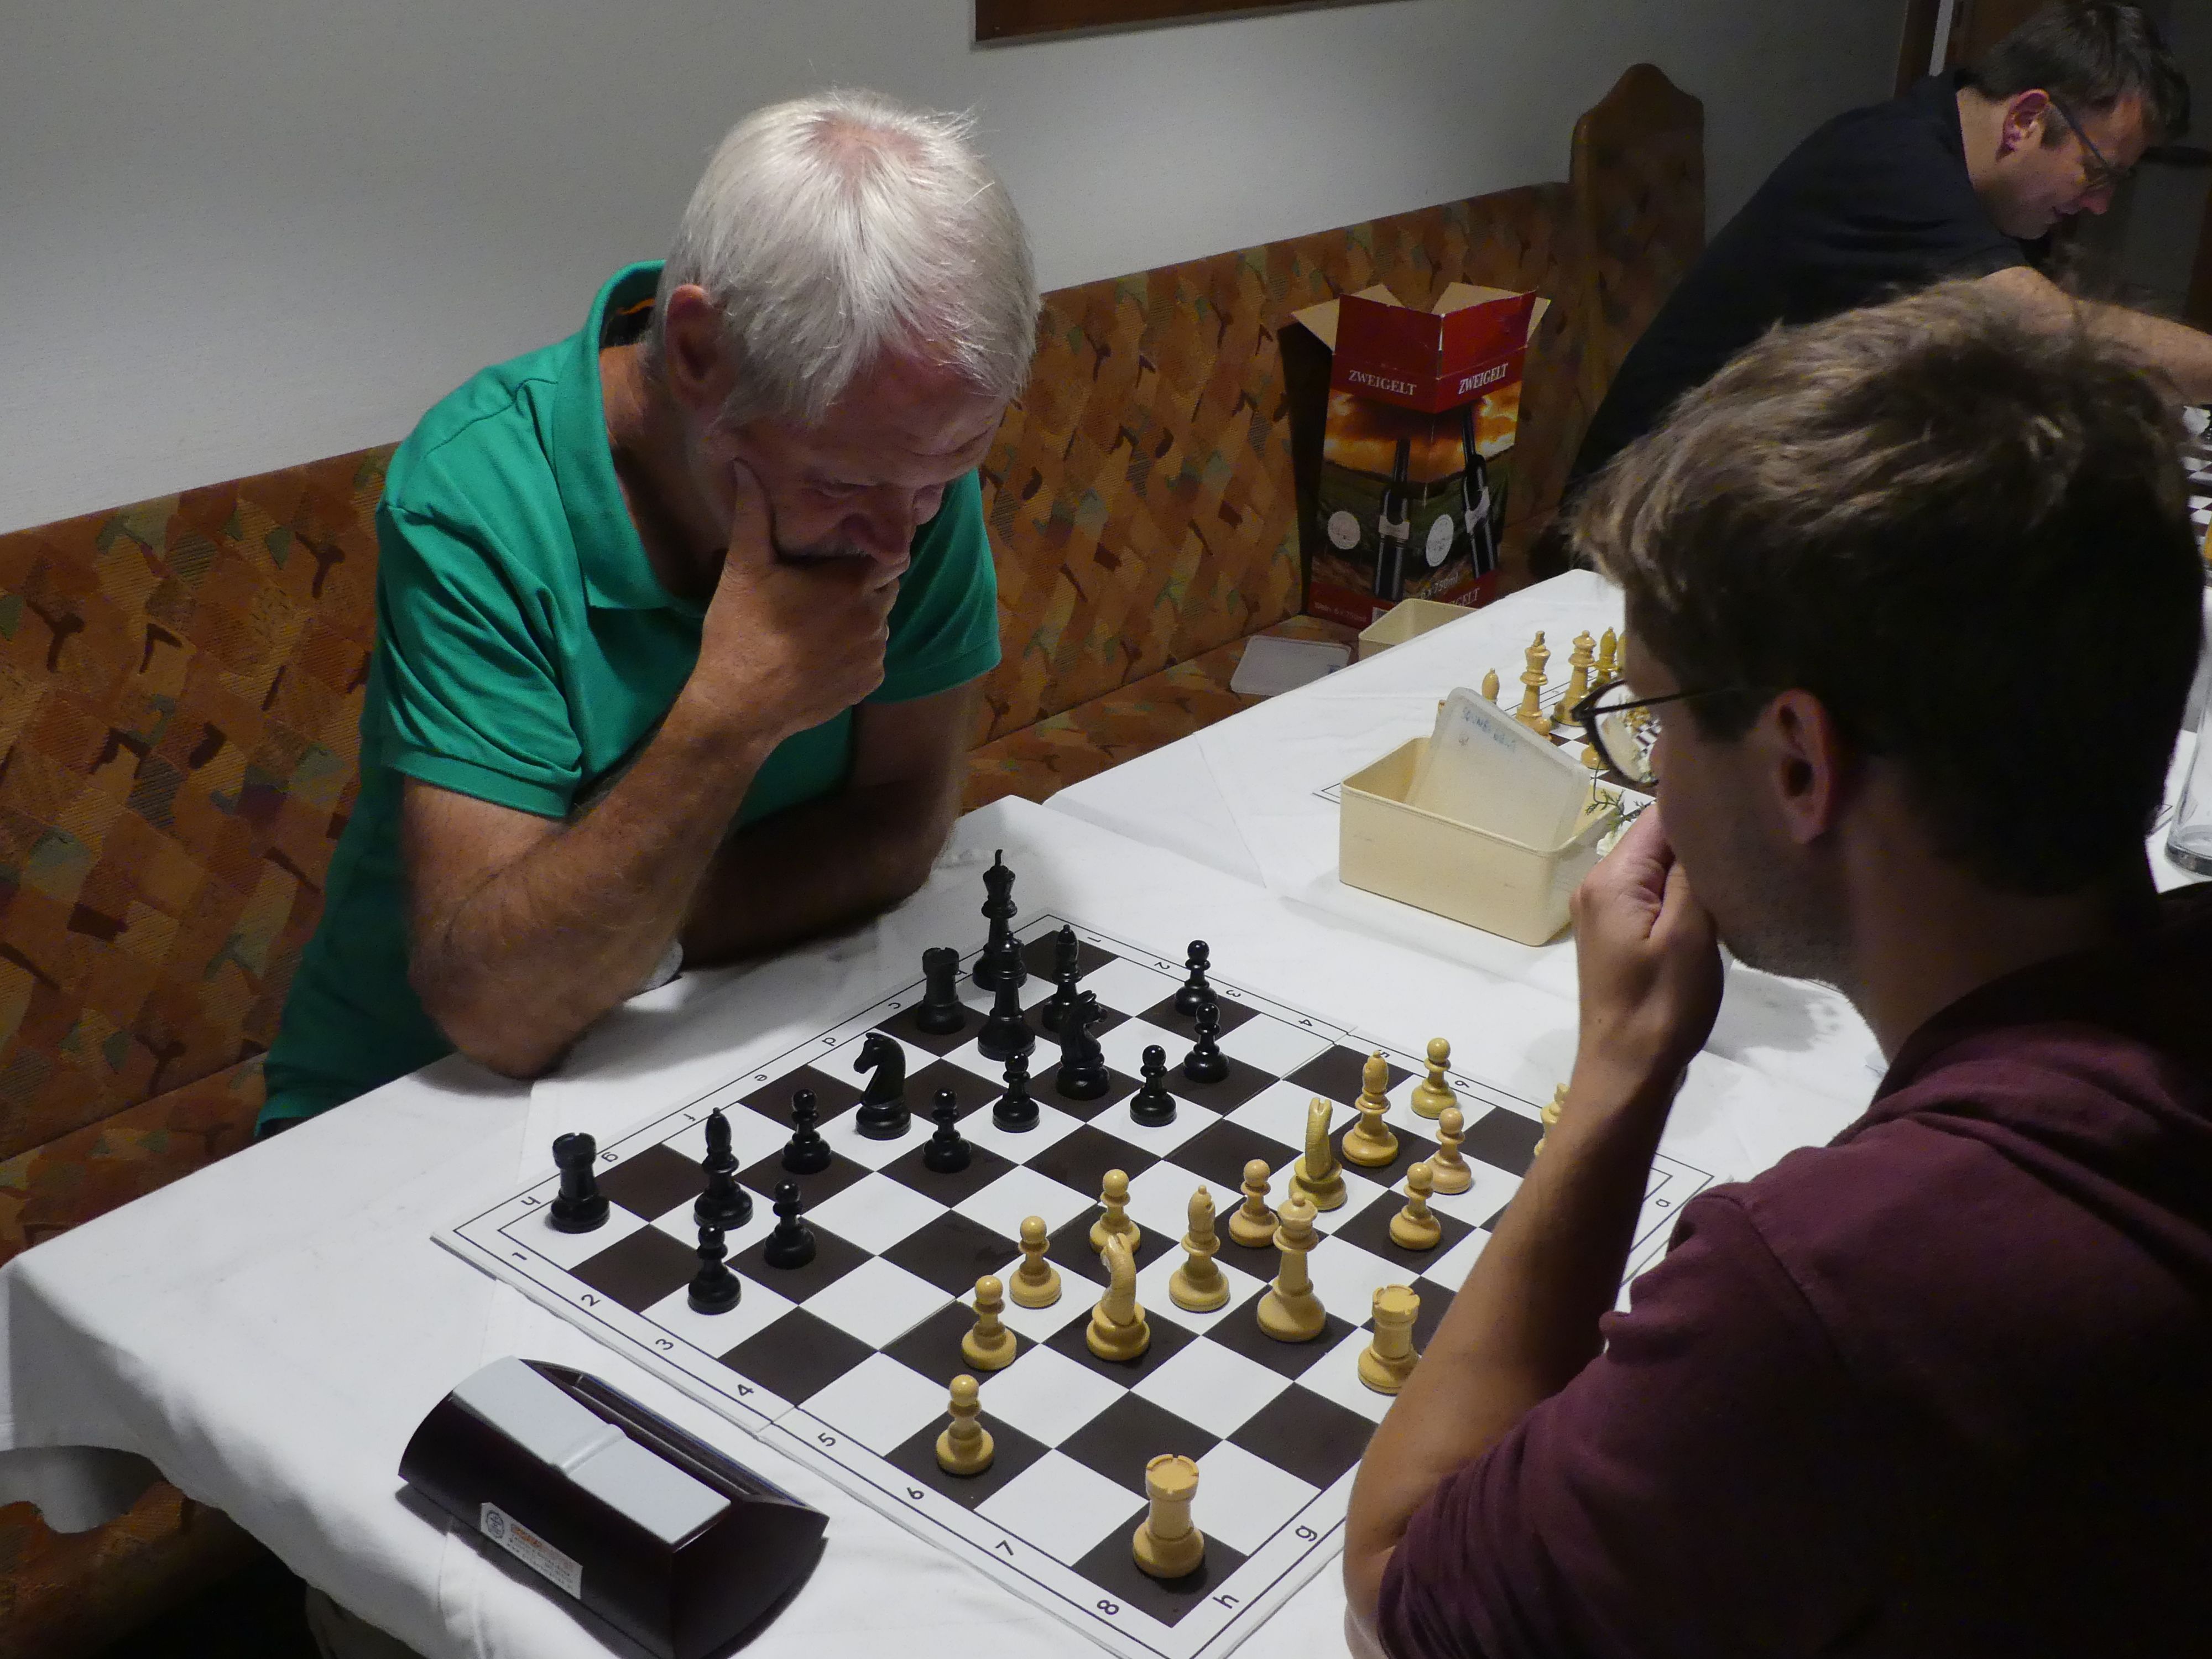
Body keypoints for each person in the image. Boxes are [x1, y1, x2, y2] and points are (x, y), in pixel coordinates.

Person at [1345, 282, 2212, 1655]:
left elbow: (1403, 1593)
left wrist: (1617, 1070)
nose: (1651, 778)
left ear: (1800, 762)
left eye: (1655, 722)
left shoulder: (1845, 1290)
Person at [259, 92, 1037, 1130]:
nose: (900, 541)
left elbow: (901, 827)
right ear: (700, 352)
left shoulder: (895, 454)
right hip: (416, 1100)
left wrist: (626, 938)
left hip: (726, 1030)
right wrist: (731, 715)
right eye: (842, 485)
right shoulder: (483, 495)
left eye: (944, 478)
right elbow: (500, 1010)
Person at [1538, 0, 2206, 577]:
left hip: (1763, 489)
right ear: (2024, 119)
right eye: (2096, 172)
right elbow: (2049, 328)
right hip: (1645, 522)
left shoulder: (1983, 182)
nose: (2098, 204)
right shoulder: (1895, 163)